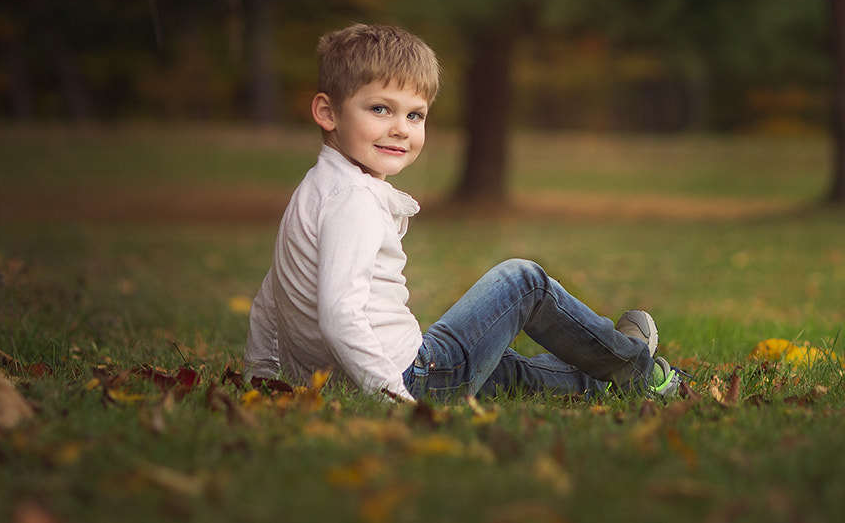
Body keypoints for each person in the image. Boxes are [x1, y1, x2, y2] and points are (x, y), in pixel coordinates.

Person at [243, 23, 681, 402]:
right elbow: (340, 313)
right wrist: (392, 398)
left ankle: (599, 376)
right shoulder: (352, 200)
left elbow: (272, 292)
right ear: (327, 112)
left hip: (354, 377)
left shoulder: (317, 188)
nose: (400, 128)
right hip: (404, 380)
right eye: (380, 109)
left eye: (415, 115)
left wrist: (262, 373)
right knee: (523, 281)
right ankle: (638, 371)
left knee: (503, 369)